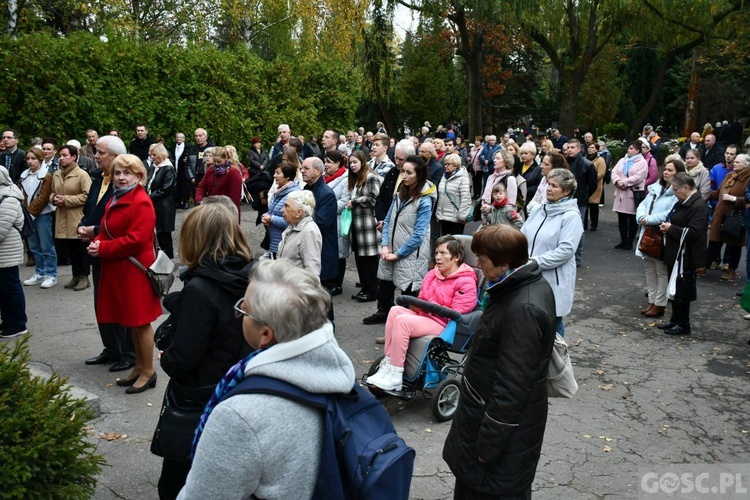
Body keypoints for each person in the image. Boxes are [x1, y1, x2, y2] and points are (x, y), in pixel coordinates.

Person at [178, 260, 355, 499]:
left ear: (265, 334)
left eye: (244, 310)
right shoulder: (340, 379)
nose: (240, 313)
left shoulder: (239, 416)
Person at [443, 224, 556, 499]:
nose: (478, 265)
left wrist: (488, 446)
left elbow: (512, 388)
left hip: (496, 438)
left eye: (482, 259)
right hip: (487, 423)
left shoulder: (523, 309)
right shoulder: (515, 286)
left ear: (504, 263)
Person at [156, 202, 255, 499]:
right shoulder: (251, 275)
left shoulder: (200, 288)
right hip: (240, 386)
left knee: (178, 482)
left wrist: (167, 357)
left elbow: (184, 358)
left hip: (199, 398)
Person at [87, 154, 163, 393]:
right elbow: (108, 228)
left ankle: (149, 372)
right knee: (131, 322)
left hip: (135, 271)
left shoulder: (140, 201)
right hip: (121, 269)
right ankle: (139, 367)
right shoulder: (119, 196)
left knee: (140, 323)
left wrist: (103, 248)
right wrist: (96, 240)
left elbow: (136, 240)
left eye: (127, 173)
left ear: (139, 176)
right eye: (118, 172)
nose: (121, 177)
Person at [366, 236, 477, 391]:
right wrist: (421, 306)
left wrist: (431, 307)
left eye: (443, 253)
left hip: (444, 324)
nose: (438, 257)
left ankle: (396, 374)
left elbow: (459, 310)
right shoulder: (433, 274)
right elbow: (422, 298)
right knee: (395, 310)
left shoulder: (466, 280)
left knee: (403, 321)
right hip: (427, 316)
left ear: (457, 257)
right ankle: (389, 363)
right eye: (437, 252)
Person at [78, 135, 136, 372]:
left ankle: (129, 354)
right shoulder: (97, 178)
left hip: (118, 254)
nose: (95, 156)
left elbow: (125, 223)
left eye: (100, 152)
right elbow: (90, 209)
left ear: (115, 155)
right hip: (98, 250)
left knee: (123, 304)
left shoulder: (126, 185)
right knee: (101, 301)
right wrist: (83, 226)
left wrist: (95, 230)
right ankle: (111, 348)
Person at [363, 155, 437, 326]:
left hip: (411, 254)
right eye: (403, 171)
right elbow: (388, 221)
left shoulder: (425, 200)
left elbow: (419, 234)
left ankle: (403, 327)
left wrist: (398, 254)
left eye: (408, 173)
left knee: (407, 294)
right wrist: (385, 246)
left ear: (419, 176)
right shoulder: (400, 193)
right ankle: (385, 316)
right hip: (392, 249)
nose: (404, 175)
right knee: (385, 287)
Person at [521, 168, 583, 336]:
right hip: (529, 275)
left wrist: (534, 262)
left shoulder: (571, 216)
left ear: (567, 191)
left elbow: (566, 250)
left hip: (552, 280)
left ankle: (557, 361)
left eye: (554, 186)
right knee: (529, 320)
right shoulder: (538, 210)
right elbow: (522, 235)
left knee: (553, 325)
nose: (549, 188)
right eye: (548, 183)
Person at [657, 173, 708, 335]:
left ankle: (683, 324)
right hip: (676, 251)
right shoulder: (683, 201)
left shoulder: (698, 206)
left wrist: (671, 229)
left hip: (687, 255)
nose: (674, 192)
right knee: (675, 287)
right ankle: (674, 320)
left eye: (676, 189)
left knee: (683, 289)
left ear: (686, 188)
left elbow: (694, 232)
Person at [635, 158, 684, 318]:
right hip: (647, 233)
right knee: (649, 270)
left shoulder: (677, 193)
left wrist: (648, 220)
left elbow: (670, 213)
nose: (666, 173)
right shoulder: (656, 188)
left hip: (661, 235)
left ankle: (660, 303)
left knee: (661, 271)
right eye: (666, 169)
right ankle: (652, 300)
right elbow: (643, 204)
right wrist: (641, 217)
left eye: (671, 170)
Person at [50, 144, 92, 291]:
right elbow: (51, 193)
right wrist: (54, 198)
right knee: (70, 249)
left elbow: (87, 196)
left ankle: (84, 277)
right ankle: (75, 275)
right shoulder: (56, 174)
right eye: (60, 155)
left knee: (80, 248)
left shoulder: (82, 174)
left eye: (64, 155)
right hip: (62, 216)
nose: (61, 158)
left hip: (76, 216)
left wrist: (66, 200)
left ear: (74, 157)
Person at [707, 154, 750, 281]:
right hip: (720, 214)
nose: (734, 163)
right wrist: (704, 193)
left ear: (746, 165)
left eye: (737, 162)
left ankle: (732, 270)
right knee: (714, 241)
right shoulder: (729, 176)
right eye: (734, 162)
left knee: (734, 245)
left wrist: (735, 199)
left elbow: (747, 200)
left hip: (735, 217)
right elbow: (718, 193)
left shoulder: (748, 179)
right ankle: (705, 265)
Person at [19, 148, 57, 288]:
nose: (30, 161)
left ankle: (51, 274)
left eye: (33, 159)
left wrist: (29, 214)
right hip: (28, 215)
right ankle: (40, 272)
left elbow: (43, 198)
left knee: (46, 245)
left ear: (40, 160)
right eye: (28, 159)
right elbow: (22, 195)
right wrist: (25, 213)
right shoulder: (24, 175)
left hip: (42, 215)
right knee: (34, 246)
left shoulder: (46, 176)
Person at [347, 150, 382, 302]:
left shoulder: (371, 177)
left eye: (355, 162)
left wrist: (354, 202)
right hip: (357, 224)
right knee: (360, 258)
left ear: (362, 161)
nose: (352, 165)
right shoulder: (356, 179)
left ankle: (372, 290)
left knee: (370, 259)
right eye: (350, 162)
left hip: (367, 224)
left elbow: (374, 198)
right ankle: (365, 288)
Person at [0, 165, 28, 338]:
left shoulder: (8, 198)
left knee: (10, 288)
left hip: (7, 252)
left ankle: (18, 324)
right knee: (3, 290)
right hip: (3, 252)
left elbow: (1, 229)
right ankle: (8, 321)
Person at [611, 141, 648, 250]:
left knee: (632, 218)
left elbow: (639, 177)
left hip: (633, 193)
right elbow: (614, 171)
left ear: (637, 150)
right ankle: (623, 240)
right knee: (621, 218)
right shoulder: (623, 160)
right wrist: (617, 181)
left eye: (631, 148)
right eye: (628, 148)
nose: (628, 150)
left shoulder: (642, 162)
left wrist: (625, 182)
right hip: (620, 193)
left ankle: (629, 241)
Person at [323, 150, 351, 295]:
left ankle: (337, 284)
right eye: (325, 161)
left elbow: (344, 201)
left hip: (338, 220)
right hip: (326, 220)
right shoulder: (325, 178)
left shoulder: (345, 178)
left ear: (338, 163)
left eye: (329, 162)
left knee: (339, 252)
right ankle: (328, 280)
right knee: (328, 251)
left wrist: (326, 208)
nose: (326, 165)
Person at [277, 190, 322, 275]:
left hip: (295, 287)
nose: (281, 210)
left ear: (299, 212)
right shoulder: (293, 225)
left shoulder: (309, 231)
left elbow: (312, 271)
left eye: (286, 206)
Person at [261, 162, 300, 257]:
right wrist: (265, 216)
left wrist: (271, 219)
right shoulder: (279, 191)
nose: (274, 176)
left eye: (278, 173)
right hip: (275, 243)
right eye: (275, 173)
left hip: (284, 245)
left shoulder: (293, 194)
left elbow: (291, 221)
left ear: (287, 176)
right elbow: (272, 211)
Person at [195, 146, 243, 220]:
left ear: (225, 158)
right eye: (214, 161)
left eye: (219, 161)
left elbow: (235, 197)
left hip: (228, 212)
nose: (216, 164)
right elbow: (201, 187)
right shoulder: (211, 170)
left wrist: (228, 213)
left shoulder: (233, 172)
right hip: (211, 210)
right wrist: (199, 201)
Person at [146, 144, 177, 258]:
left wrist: (149, 197)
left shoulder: (168, 168)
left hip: (164, 206)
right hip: (154, 204)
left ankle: (167, 258)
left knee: (163, 233)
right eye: (151, 154)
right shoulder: (154, 167)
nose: (152, 157)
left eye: (154, 155)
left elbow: (166, 189)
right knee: (155, 232)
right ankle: (157, 256)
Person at [435, 153, 471, 236]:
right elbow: (441, 197)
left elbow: (465, 198)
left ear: (456, 165)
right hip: (444, 217)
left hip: (456, 218)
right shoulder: (444, 177)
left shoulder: (463, 178)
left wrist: (462, 216)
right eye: (445, 164)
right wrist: (438, 214)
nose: (446, 166)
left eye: (449, 164)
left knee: (454, 243)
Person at [480, 148, 517, 218]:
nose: (494, 160)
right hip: (487, 216)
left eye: (498, 158)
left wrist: (491, 208)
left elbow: (511, 205)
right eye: (494, 158)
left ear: (506, 161)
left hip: (501, 219)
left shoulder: (510, 179)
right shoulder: (491, 177)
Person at [585, 142, 606, 231]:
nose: (590, 149)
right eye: (589, 147)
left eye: (593, 147)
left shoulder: (600, 160)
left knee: (593, 206)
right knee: (585, 206)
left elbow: (601, 173)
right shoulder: (585, 158)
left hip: (595, 186)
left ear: (597, 149)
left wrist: (590, 178)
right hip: (585, 185)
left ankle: (594, 224)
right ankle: (584, 223)